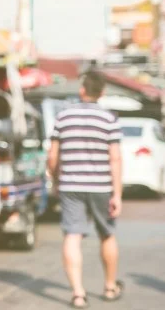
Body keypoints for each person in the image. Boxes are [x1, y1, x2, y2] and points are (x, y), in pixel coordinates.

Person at [48, 71, 124, 309]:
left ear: (82, 90)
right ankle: (110, 287)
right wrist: (118, 194)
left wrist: (56, 178)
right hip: (101, 186)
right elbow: (115, 158)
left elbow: (52, 156)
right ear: (102, 93)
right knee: (107, 234)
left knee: (72, 235)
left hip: (70, 185)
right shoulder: (109, 119)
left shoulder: (63, 117)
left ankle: (78, 294)